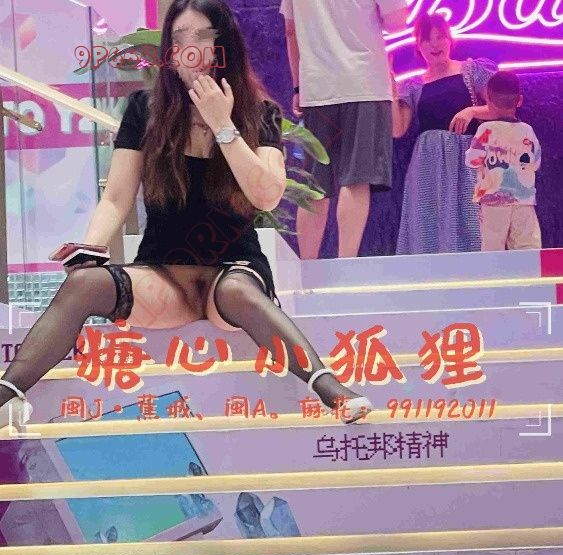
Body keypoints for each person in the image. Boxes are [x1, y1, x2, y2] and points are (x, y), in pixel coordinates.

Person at [0, 0, 372, 431]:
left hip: (231, 269)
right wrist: (91, 247)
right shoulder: (145, 110)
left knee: (239, 291)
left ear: (222, 45)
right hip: (163, 273)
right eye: (178, 39)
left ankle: (330, 389)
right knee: (84, 283)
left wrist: (224, 126)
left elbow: (267, 196)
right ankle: (8, 393)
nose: (188, 49)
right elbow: (116, 198)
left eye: (200, 36)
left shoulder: (259, 113)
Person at [281, 0, 408, 259]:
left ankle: (306, 266)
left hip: (316, 87)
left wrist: (298, 87)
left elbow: (290, 31)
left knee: (314, 183)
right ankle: (346, 264)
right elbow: (397, 23)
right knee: (356, 178)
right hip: (364, 84)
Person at [392, 13, 497, 255]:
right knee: (428, 223)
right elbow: (398, 129)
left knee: (473, 221)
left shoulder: (471, 71)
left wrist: (472, 111)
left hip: (468, 160)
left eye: (440, 37)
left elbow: (501, 108)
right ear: (419, 46)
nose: (435, 44)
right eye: (427, 39)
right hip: (428, 165)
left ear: (450, 39)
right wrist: (392, 92)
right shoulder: (414, 85)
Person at [465, 71, 542, 251]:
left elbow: (473, 160)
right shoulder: (527, 130)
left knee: (492, 247)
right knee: (527, 246)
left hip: (493, 199)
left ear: (488, 101)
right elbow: (536, 162)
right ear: (519, 100)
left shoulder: (486, 130)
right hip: (523, 199)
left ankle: (494, 271)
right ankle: (528, 271)